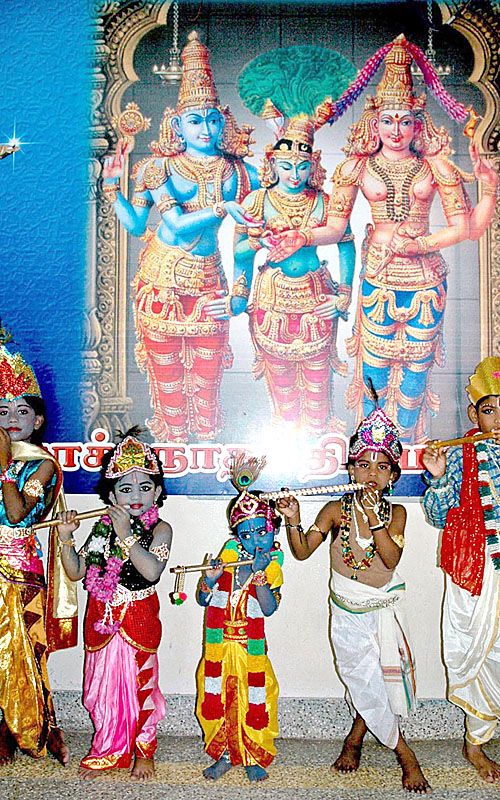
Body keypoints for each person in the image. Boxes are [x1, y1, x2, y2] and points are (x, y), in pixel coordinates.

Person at [266, 35, 498, 443]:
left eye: (405, 121)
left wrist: (489, 190)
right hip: (378, 274)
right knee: (373, 365)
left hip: (425, 279)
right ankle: (374, 451)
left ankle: (407, 448)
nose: (396, 130)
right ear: (374, 124)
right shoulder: (356, 167)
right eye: (388, 120)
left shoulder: (436, 166)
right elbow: (335, 228)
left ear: (417, 124)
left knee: (417, 369)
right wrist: (302, 236)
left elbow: (467, 229)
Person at [103, 31, 259, 442]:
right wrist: (111, 188)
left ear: (222, 119)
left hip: (209, 282)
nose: (206, 129)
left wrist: (239, 294)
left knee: (207, 384)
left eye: (212, 119)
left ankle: (205, 452)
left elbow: (245, 244)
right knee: (168, 383)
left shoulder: (241, 173)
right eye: (195, 120)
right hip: (161, 283)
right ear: (177, 124)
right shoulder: (159, 168)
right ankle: (172, 452)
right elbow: (150, 225)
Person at [278, 406, 431, 793]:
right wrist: (293, 518)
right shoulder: (335, 511)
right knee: (362, 679)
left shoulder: (397, 514)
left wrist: (375, 519)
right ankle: (405, 753)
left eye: (382, 466)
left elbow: (390, 560)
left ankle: (355, 738)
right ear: (350, 471)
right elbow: (301, 551)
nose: (371, 474)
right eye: (363, 465)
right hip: (347, 612)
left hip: (383, 611)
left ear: (393, 476)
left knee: (378, 680)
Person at [210, 45, 355, 434]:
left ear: (313, 165)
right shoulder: (256, 200)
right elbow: (240, 253)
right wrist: (240, 289)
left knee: (318, 382)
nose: (294, 175)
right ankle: (285, 438)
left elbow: (346, 244)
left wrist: (344, 295)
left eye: (302, 166)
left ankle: (321, 440)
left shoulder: (323, 202)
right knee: (281, 385)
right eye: (287, 166)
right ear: (272, 164)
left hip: (316, 294)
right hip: (270, 297)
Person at [57, 431, 172, 780]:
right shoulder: (101, 529)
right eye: (125, 488)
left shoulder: (161, 529)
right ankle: (107, 748)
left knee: (141, 685)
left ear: (157, 492)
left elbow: (151, 571)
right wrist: (66, 538)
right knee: (101, 689)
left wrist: (126, 535)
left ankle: (144, 751)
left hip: (139, 617)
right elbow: (76, 572)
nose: (136, 496)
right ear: (111, 495)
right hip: (101, 617)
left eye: (145, 487)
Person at [422, 356, 500, 784]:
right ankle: (475, 743)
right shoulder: (460, 454)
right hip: (476, 570)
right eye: (489, 410)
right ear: (474, 414)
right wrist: (437, 478)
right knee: (480, 652)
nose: (498, 420)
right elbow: (437, 516)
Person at [0, 335, 76, 767]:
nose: (12, 419)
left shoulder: (42, 464)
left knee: (24, 652)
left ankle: (31, 728)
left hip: (17, 570)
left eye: (22, 411)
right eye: (3, 411)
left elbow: (15, 514)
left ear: (38, 420)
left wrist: (4, 467)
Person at [195, 455, 283, 782]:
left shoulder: (270, 569)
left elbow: (269, 608)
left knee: (256, 700)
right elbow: (203, 599)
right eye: (246, 535)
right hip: (219, 651)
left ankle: (252, 756)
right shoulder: (227, 565)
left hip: (251, 652)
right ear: (237, 538)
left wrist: (259, 575)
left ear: (273, 530)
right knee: (216, 699)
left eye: (262, 531)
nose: (255, 539)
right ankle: (223, 755)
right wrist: (210, 579)